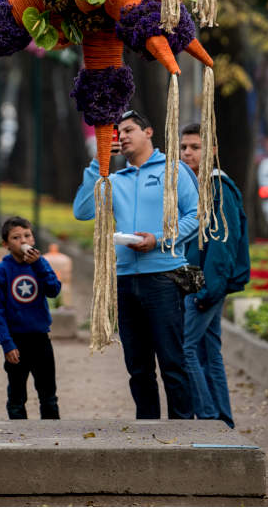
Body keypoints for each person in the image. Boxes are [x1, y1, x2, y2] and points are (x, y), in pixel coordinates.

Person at [73, 109, 200, 419]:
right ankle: (148, 432)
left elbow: (196, 215)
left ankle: (184, 432)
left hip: (164, 277)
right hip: (126, 280)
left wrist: (158, 239)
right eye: (118, 132)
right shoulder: (115, 179)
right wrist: (97, 164)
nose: (123, 136)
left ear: (149, 132)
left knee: (172, 361)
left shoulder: (174, 170)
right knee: (138, 367)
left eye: (129, 129)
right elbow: (83, 210)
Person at [179, 122, 252, 428]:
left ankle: (208, 418)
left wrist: (207, 291)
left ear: (212, 150)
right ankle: (222, 420)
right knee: (209, 351)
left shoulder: (218, 187)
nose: (187, 153)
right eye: (183, 147)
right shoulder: (195, 186)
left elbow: (222, 245)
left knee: (186, 349)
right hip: (197, 282)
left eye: (195, 147)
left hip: (206, 285)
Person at [0, 216, 62, 420]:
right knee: (16, 395)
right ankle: (19, 439)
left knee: (48, 394)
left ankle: (53, 438)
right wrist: (7, 344)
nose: (23, 241)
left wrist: (39, 265)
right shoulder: (2, 271)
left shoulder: (41, 263)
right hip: (16, 341)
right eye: (16, 237)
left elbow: (54, 290)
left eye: (27, 235)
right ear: (5, 244)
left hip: (40, 338)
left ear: (33, 239)